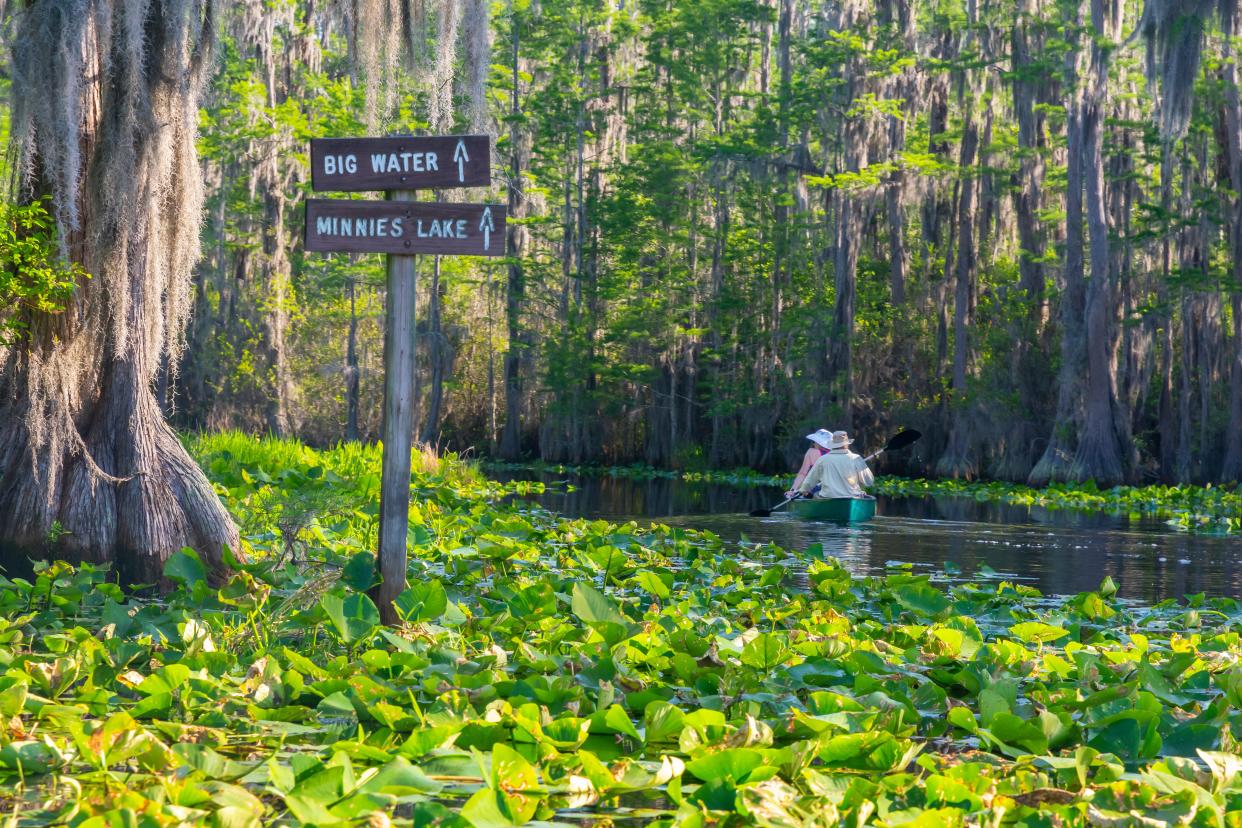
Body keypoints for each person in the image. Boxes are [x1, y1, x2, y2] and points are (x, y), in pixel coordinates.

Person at [795, 430, 874, 499]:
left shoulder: (822, 459)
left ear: (833, 444)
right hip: (853, 496)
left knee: (813, 495)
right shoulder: (856, 458)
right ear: (847, 444)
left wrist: (802, 491)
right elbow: (869, 481)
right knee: (861, 494)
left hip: (827, 497)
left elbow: (809, 481)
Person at [787, 429, 835, 498]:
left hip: (817, 490)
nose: (813, 443)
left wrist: (793, 490)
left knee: (804, 491)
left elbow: (802, 473)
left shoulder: (811, 452)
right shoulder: (837, 454)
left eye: (814, 441)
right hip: (836, 490)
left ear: (818, 442)